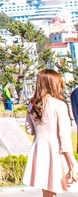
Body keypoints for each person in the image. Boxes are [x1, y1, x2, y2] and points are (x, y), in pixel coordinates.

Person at [22, 69, 78, 197]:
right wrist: (73, 162)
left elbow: (29, 129)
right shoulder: (60, 105)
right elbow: (64, 137)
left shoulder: (32, 104)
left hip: (39, 150)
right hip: (56, 151)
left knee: (47, 192)